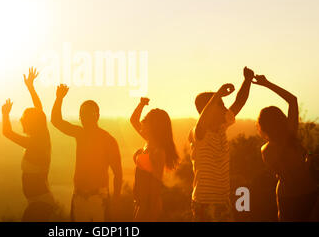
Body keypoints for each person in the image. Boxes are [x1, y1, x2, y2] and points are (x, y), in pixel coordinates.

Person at [189, 66, 254, 221]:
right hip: (205, 202)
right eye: (221, 105)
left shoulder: (222, 127)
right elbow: (202, 122)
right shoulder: (198, 134)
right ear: (209, 110)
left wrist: (247, 80)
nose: (226, 108)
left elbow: (239, 102)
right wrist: (218, 94)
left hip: (223, 201)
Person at [51, 84, 122, 221]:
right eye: (82, 114)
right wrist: (59, 98)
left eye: (87, 113)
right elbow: (56, 121)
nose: (83, 117)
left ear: (97, 116)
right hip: (79, 197)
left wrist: (116, 200)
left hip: (99, 199)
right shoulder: (80, 134)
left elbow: (118, 173)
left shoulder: (107, 140)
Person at [253, 74, 318, 221]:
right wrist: (267, 84)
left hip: (287, 195)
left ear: (262, 127)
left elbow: (285, 174)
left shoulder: (265, 150)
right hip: (308, 190)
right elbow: (292, 100)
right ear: (282, 119)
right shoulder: (290, 137)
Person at [2, 67, 54, 221]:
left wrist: (5, 114)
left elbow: (7, 132)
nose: (21, 121)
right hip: (37, 203)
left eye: (24, 119)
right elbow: (39, 110)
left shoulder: (35, 143)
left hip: (41, 203)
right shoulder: (40, 137)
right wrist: (30, 87)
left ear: (31, 123)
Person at [130, 97, 179, 221]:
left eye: (145, 121)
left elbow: (155, 187)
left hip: (148, 205)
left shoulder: (158, 151)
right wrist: (141, 104)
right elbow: (133, 120)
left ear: (154, 126)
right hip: (140, 202)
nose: (142, 122)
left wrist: (148, 209)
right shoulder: (148, 141)